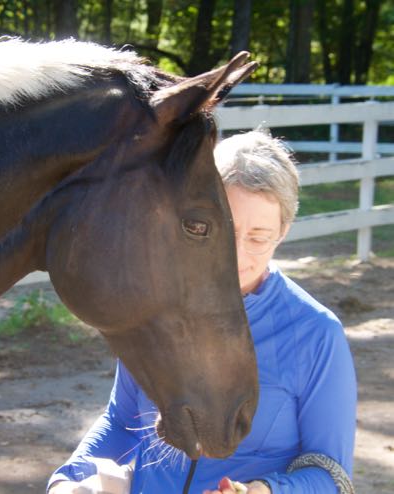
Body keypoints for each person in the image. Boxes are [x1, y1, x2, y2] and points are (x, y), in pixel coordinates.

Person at [47, 130, 357, 494]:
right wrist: (68, 480)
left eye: (258, 237)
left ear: (283, 232)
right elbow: (121, 420)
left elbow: (332, 474)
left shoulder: (317, 333)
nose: (236, 254)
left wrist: (266, 490)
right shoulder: (153, 309)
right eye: (225, 229)